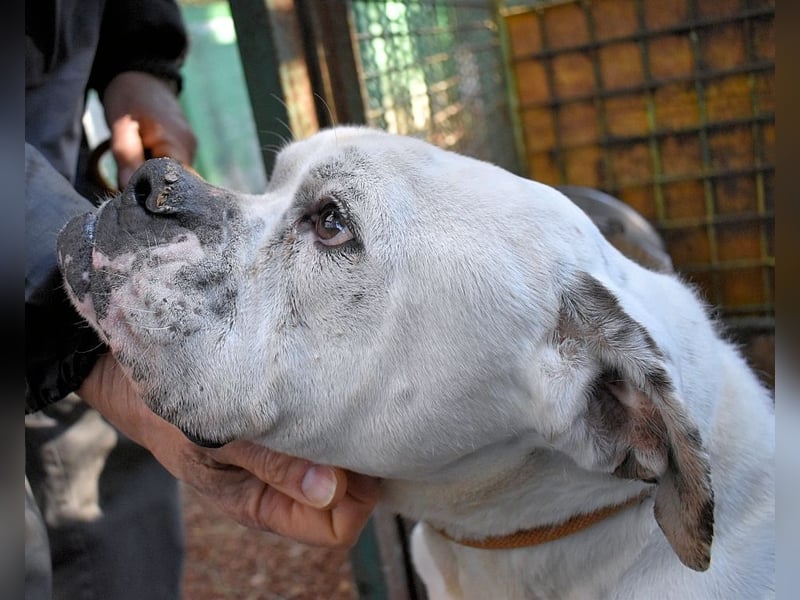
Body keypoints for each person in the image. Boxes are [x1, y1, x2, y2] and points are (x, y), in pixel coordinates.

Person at [25, 2, 379, 599]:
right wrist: (105, 360)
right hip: (46, 243)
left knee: (119, 524)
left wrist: (137, 67)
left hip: (53, 214)